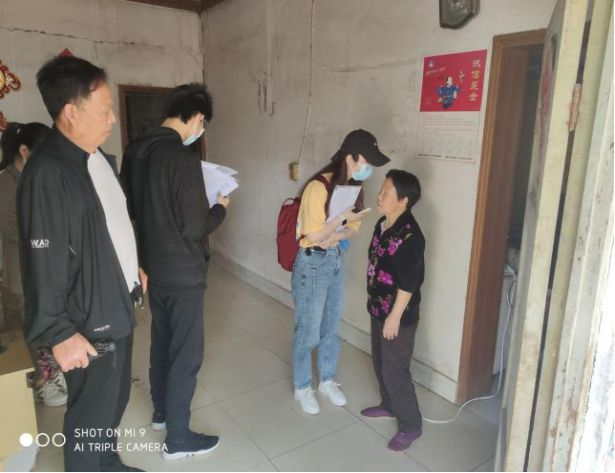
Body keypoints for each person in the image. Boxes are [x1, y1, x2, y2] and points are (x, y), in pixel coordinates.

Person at [17, 55, 145, 472]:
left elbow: (106, 228)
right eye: (104, 110)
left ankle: (107, 462)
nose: (112, 119)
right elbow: (43, 259)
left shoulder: (94, 158)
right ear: (71, 112)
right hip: (87, 323)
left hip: (114, 301)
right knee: (91, 413)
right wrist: (59, 333)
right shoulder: (48, 172)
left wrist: (132, 269)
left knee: (114, 400)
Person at [121, 83, 228, 460]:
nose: (201, 130)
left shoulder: (135, 152)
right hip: (183, 270)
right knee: (186, 353)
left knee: (162, 340)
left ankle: (162, 412)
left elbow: (130, 208)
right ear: (197, 117)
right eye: (203, 123)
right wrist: (220, 207)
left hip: (152, 265)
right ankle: (178, 439)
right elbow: (194, 226)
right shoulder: (182, 158)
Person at [292, 129, 390, 415]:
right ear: (350, 158)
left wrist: (335, 233)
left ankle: (327, 380)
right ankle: (302, 386)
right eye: (365, 162)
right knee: (308, 328)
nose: (368, 169)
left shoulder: (352, 187)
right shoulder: (318, 187)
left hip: (334, 259)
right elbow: (313, 235)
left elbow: (353, 228)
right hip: (312, 262)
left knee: (331, 325)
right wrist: (338, 225)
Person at [0, 121, 69, 408]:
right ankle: (41, 380)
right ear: (24, 151)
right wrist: (45, 227)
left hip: (43, 266)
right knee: (26, 326)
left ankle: (50, 373)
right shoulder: (5, 183)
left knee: (45, 321)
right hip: (17, 271)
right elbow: (10, 228)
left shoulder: (37, 177)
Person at [361, 169, 425, 452]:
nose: (379, 196)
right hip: (378, 307)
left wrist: (394, 318)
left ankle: (411, 425)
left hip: (397, 316)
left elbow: (410, 282)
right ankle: (388, 405)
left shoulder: (411, 236)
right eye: (381, 190)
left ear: (403, 200)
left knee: (395, 370)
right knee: (379, 361)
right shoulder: (382, 224)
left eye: (386, 193)